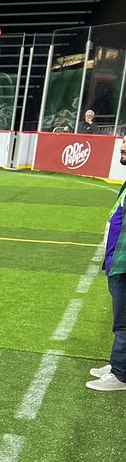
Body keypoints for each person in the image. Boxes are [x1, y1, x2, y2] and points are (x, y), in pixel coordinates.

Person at [86, 137, 126, 391]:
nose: (122, 147)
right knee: (121, 320)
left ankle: (120, 374)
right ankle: (118, 365)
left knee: (123, 322)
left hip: (124, 264)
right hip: (117, 262)